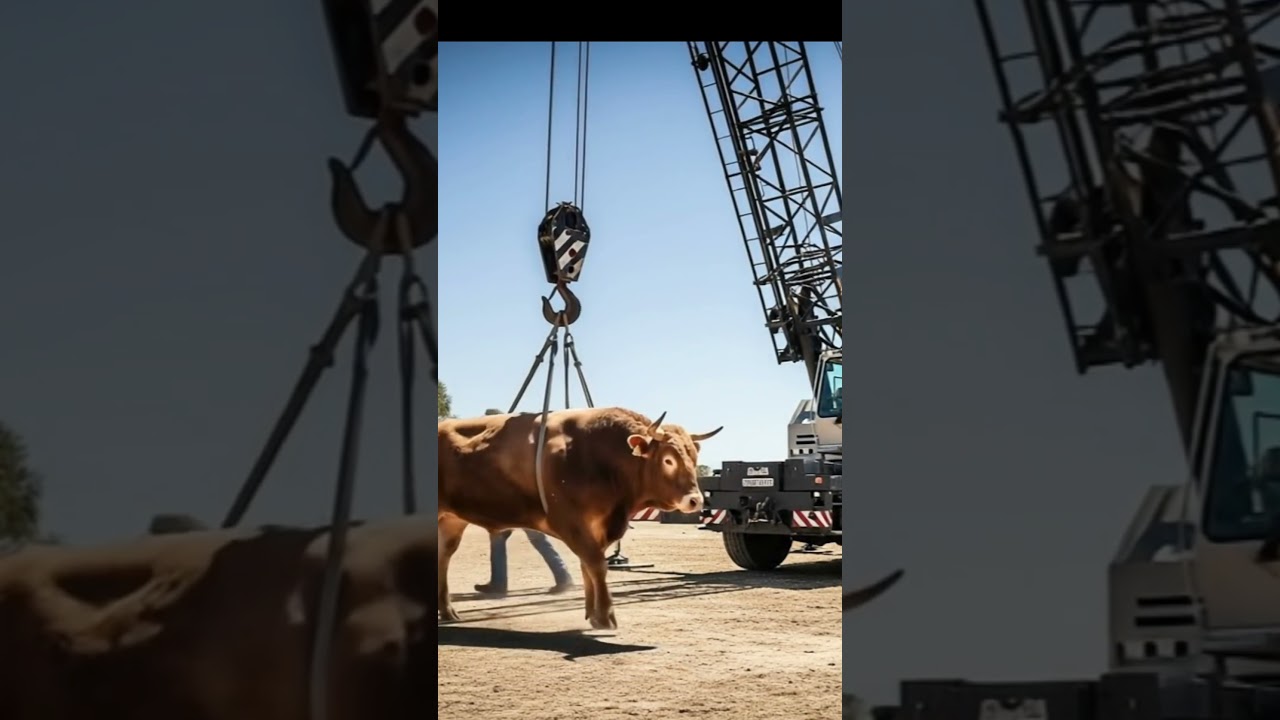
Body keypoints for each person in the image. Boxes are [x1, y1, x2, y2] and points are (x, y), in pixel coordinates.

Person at [474, 528, 574, 596]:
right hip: (530, 505)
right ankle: (563, 577)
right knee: (538, 539)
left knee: (497, 537)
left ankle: (498, 584)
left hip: (513, 505)